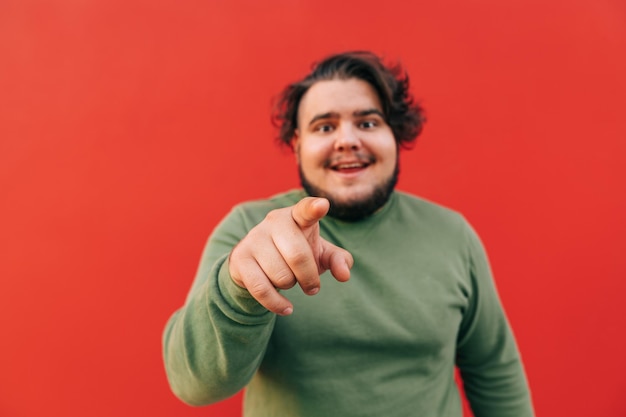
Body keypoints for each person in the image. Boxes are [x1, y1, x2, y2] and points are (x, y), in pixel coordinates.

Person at [162, 51, 534, 417]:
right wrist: (237, 286)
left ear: (395, 135)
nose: (347, 140)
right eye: (325, 127)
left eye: (368, 123)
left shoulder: (453, 235)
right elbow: (193, 385)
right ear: (297, 146)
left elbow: (494, 369)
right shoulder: (248, 230)